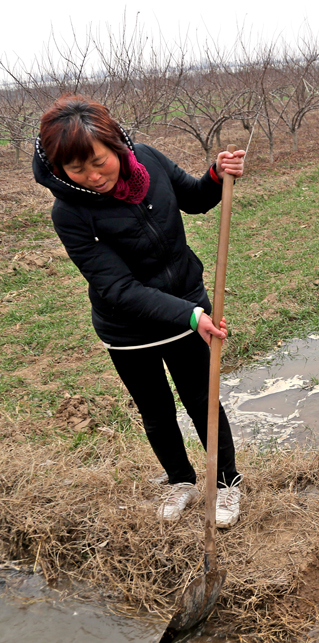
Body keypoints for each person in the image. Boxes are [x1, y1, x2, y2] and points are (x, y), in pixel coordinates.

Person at [33, 95, 246, 527]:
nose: (93, 176)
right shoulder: (70, 212)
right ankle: (181, 480)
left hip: (188, 309)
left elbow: (195, 198)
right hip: (128, 329)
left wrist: (216, 175)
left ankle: (226, 484)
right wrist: (191, 316)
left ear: (116, 144)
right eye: (77, 169)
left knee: (202, 401)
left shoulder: (148, 160)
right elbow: (116, 287)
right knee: (155, 409)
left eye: (98, 161)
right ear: (60, 170)